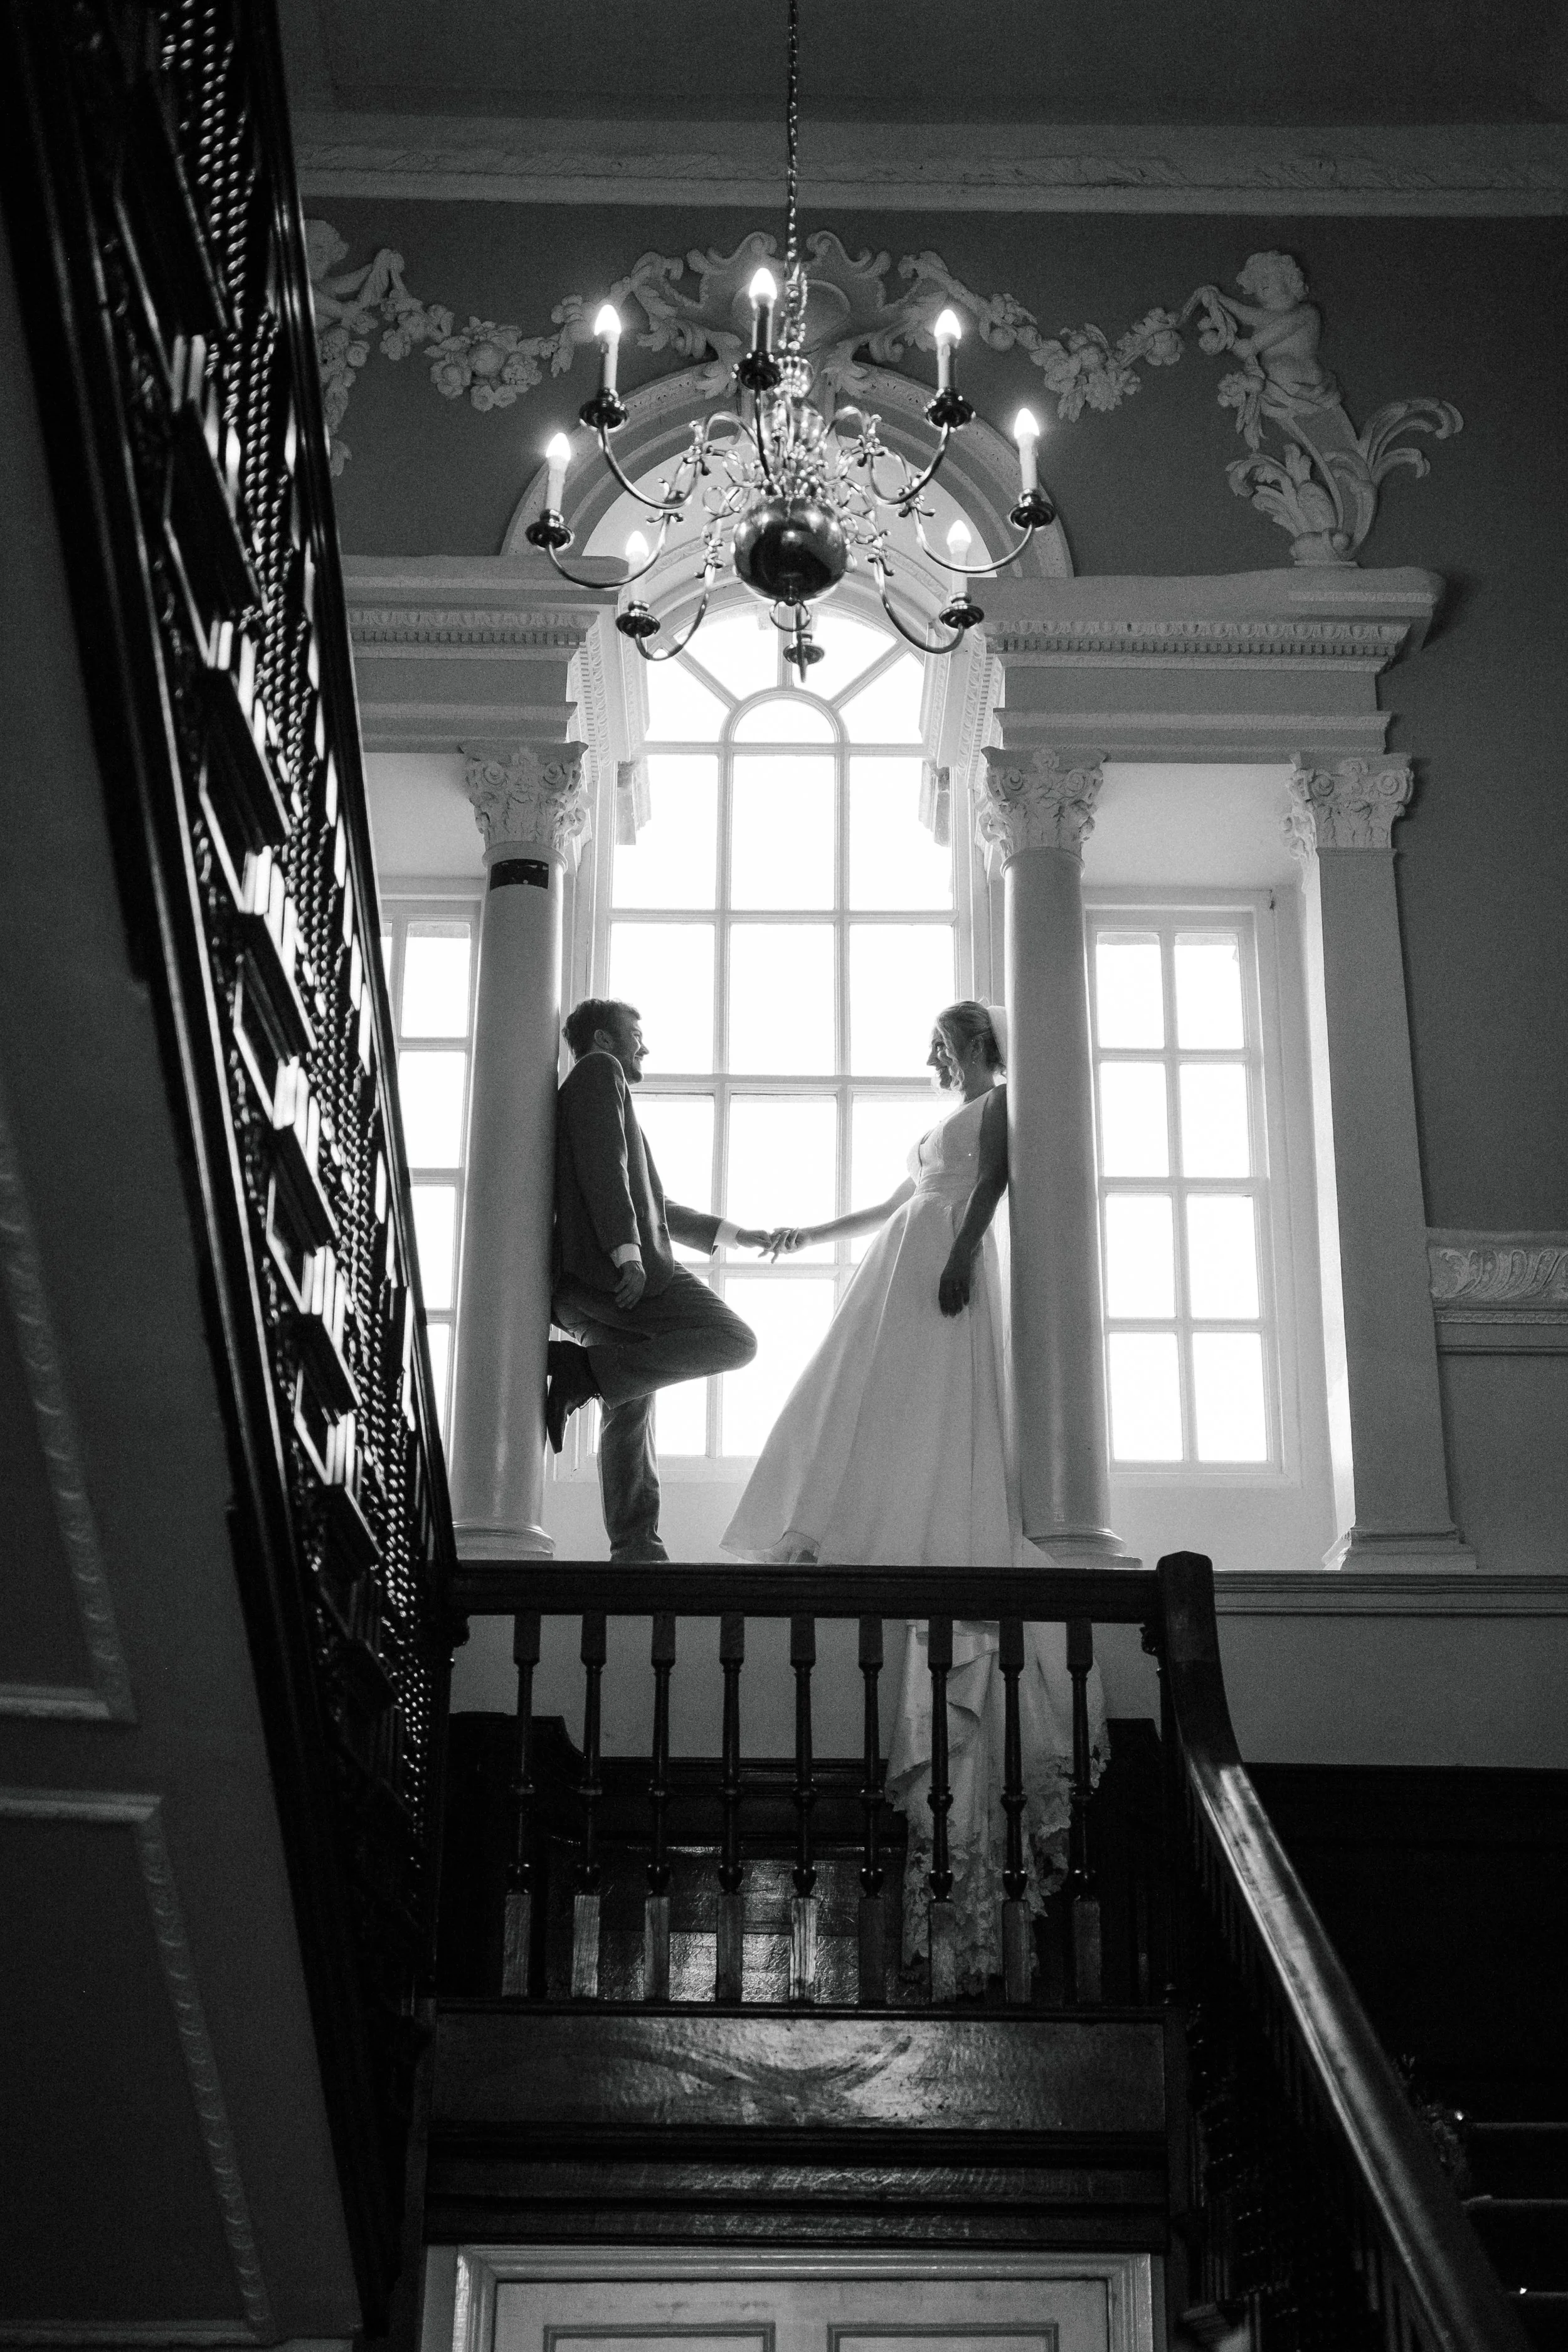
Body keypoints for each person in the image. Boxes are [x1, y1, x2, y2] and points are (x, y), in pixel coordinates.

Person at [721, 999, 1104, 1989]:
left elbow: (994, 1185)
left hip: (942, 1256)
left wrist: (963, 1252)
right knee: (859, 1396)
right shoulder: (936, 1127)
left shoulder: (1005, 1103)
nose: (936, 1056)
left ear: (974, 1038)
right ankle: (849, 1513)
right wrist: (813, 1230)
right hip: (907, 1248)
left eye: (945, 1042)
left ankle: (935, 1512)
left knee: (938, 1406)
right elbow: (893, 1200)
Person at [547, 997, 775, 1562]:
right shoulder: (600, 1073)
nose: (643, 1047)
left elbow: (650, 1201)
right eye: (635, 1035)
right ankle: (583, 1371)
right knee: (736, 1341)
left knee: (630, 1394)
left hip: (578, 1287)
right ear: (603, 1040)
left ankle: (634, 1545)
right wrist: (628, 1255)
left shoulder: (589, 1087)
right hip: (612, 1272)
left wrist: (733, 1234)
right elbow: (608, 1171)